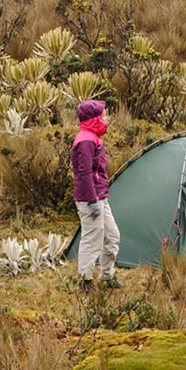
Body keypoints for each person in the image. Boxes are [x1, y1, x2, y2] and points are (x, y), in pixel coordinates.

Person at [71, 99, 119, 287]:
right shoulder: (85, 140)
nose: (106, 117)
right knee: (92, 240)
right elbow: (84, 173)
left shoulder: (91, 137)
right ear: (94, 118)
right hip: (90, 199)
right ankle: (86, 282)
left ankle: (107, 277)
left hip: (100, 197)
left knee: (112, 237)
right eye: (103, 114)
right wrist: (91, 201)